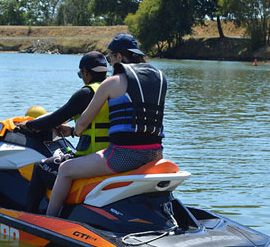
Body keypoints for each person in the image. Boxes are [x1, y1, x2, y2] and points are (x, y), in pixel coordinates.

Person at [46, 33, 167, 216]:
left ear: (119, 56)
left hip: (124, 156)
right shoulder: (160, 79)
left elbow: (82, 125)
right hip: (156, 153)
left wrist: (73, 130)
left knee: (65, 169)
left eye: (110, 56)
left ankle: (49, 220)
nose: (109, 62)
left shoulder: (111, 83)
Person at [18, 51, 111, 213]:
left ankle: (30, 217)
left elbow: (55, 119)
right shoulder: (115, 90)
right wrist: (73, 131)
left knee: (41, 167)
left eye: (80, 74)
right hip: (111, 154)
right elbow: (98, 124)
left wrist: (28, 125)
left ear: (86, 72)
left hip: (90, 156)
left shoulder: (87, 93)